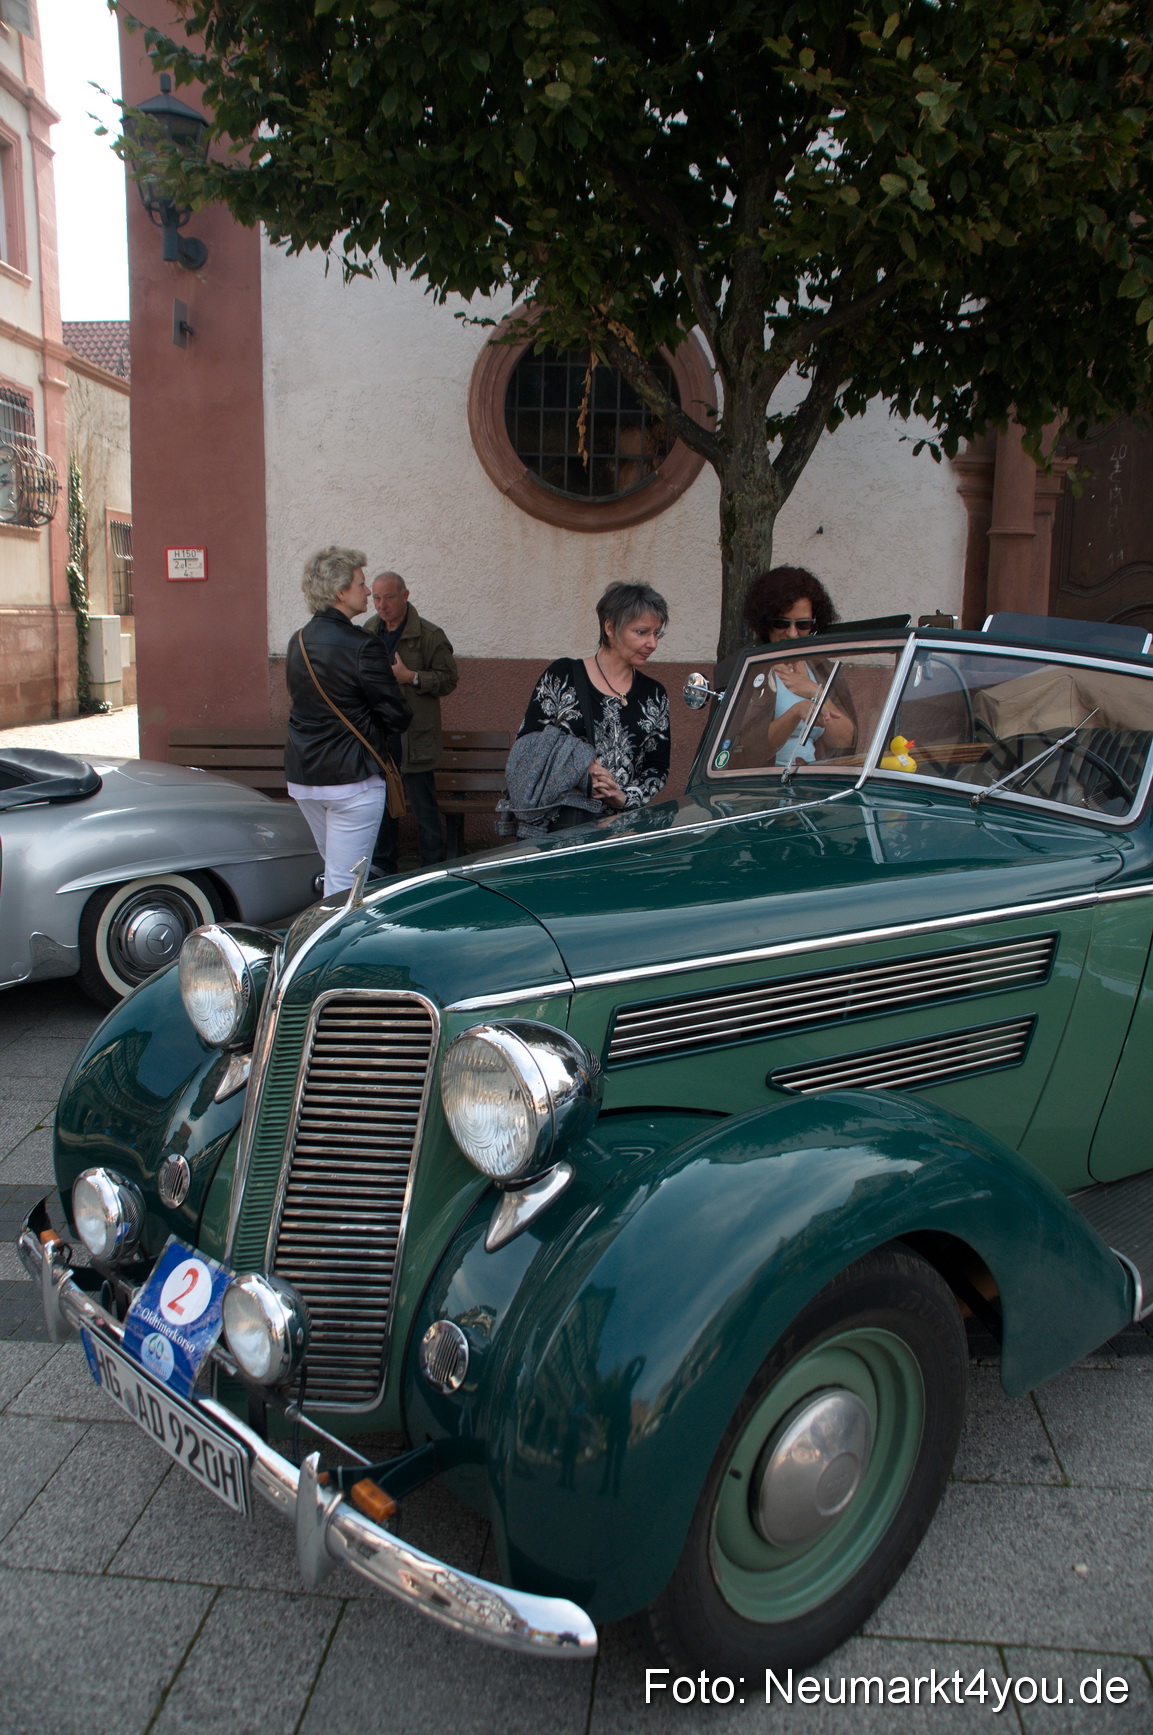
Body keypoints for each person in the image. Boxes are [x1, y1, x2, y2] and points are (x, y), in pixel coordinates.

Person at [285, 547, 410, 895]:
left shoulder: (297, 641)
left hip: (305, 777)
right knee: (346, 886)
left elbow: (303, 704)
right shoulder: (363, 646)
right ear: (340, 592)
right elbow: (397, 715)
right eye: (360, 583)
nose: (367, 591)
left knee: (336, 872)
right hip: (352, 781)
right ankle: (329, 947)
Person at [515, 581, 671, 826]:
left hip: (620, 831)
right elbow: (528, 746)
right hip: (560, 825)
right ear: (610, 627)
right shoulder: (562, 676)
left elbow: (657, 767)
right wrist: (578, 767)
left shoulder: (654, 694)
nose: (652, 643)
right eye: (642, 632)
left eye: (657, 633)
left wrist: (624, 798)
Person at [363, 571, 459, 872]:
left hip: (415, 735)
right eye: (376, 598)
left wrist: (411, 677)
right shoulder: (369, 631)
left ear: (405, 595)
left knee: (423, 807)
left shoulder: (429, 635)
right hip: (380, 732)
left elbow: (449, 679)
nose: (382, 605)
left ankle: (432, 869)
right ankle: (384, 870)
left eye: (389, 597)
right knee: (384, 806)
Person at [719, 565, 853, 765]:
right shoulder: (747, 667)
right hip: (761, 787)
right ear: (765, 621)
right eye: (782, 623)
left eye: (803, 625)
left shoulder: (820, 668)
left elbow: (845, 740)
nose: (792, 633)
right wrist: (796, 712)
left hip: (812, 781)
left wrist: (816, 692)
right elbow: (744, 749)